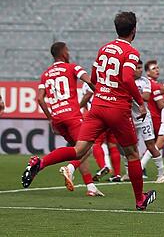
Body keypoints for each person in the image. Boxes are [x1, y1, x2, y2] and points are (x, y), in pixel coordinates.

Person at [22, 12, 157, 211]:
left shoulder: (103, 49)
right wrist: (141, 103)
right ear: (134, 30)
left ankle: (40, 163)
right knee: (133, 154)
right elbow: (128, 79)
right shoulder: (131, 52)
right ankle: (140, 199)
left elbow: (94, 75)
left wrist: (103, 92)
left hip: (98, 107)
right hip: (117, 108)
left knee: (79, 150)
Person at [36, 42, 103, 196]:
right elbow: (89, 81)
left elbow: (40, 99)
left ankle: (91, 187)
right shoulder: (72, 67)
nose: (69, 53)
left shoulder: (46, 74)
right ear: (64, 54)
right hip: (72, 116)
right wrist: (100, 94)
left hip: (58, 118)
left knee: (77, 150)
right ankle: (69, 168)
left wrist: (51, 119)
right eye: (68, 50)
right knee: (87, 147)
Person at [131, 59, 164, 183]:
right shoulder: (126, 80)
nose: (140, 70)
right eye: (137, 68)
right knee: (131, 147)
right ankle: (134, 173)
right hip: (130, 118)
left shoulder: (145, 81)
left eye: (141, 68)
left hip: (144, 118)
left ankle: (162, 174)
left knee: (151, 146)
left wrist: (128, 93)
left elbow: (145, 97)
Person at [80, 84, 122, 182]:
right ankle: (117, 174)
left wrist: (79, 107)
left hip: (98, 115)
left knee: (96, 142)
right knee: (112, 144)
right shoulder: (112, 79)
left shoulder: (89, 82)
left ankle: (103, 166)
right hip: (113, 113)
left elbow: (87, 97)